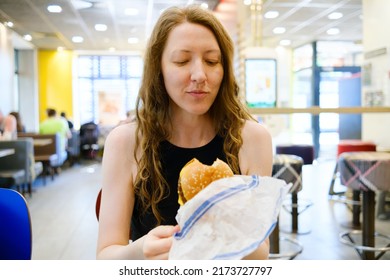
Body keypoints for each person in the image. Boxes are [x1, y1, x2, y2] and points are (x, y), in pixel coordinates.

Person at [96, 5, 273, 260]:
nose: (200, 75)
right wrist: (140, 252)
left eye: (212, 61)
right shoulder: (126, 142)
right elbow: (105, 256)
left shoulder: (252, 139)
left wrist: (223, 227)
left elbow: (260, 254)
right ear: (159, 68)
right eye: (181, 61)